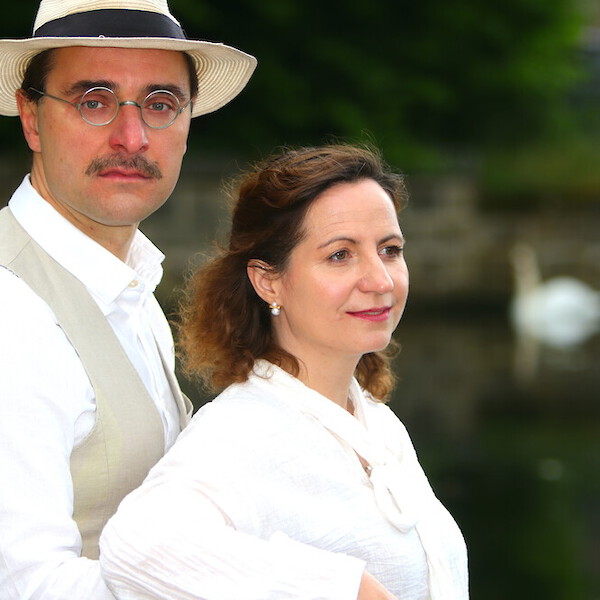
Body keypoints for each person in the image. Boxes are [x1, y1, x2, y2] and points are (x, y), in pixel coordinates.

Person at [99, 144, 470, 600]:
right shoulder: (244, 431)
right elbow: (138, 546)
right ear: (268, 280)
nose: (381, 280)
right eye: (340, 255)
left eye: (389, 250)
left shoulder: (375, 421)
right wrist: (340, 587)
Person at [0, 1, 256, 598]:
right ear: (32, 119)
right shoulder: (12, 314)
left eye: (160, 104)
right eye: (94, 101)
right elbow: (26, 586)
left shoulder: (130, 286)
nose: (132, 137)